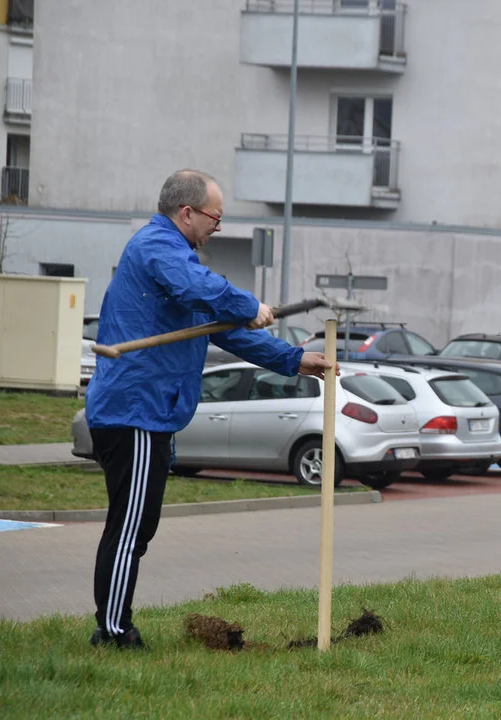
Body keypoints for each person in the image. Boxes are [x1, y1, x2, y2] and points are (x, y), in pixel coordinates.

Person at [85, 169, 334, 649]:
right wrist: (248, 302)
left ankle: (114, 625)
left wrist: (294, 359)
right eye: (214, 219)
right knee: (130, 524)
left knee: (140, 524)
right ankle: (113, 632)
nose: (216, 228)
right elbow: (209, 293)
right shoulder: (158, 250)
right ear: (187, 213)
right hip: (133, 411)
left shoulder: (177, 267)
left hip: (152, 414)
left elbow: (224, 328)